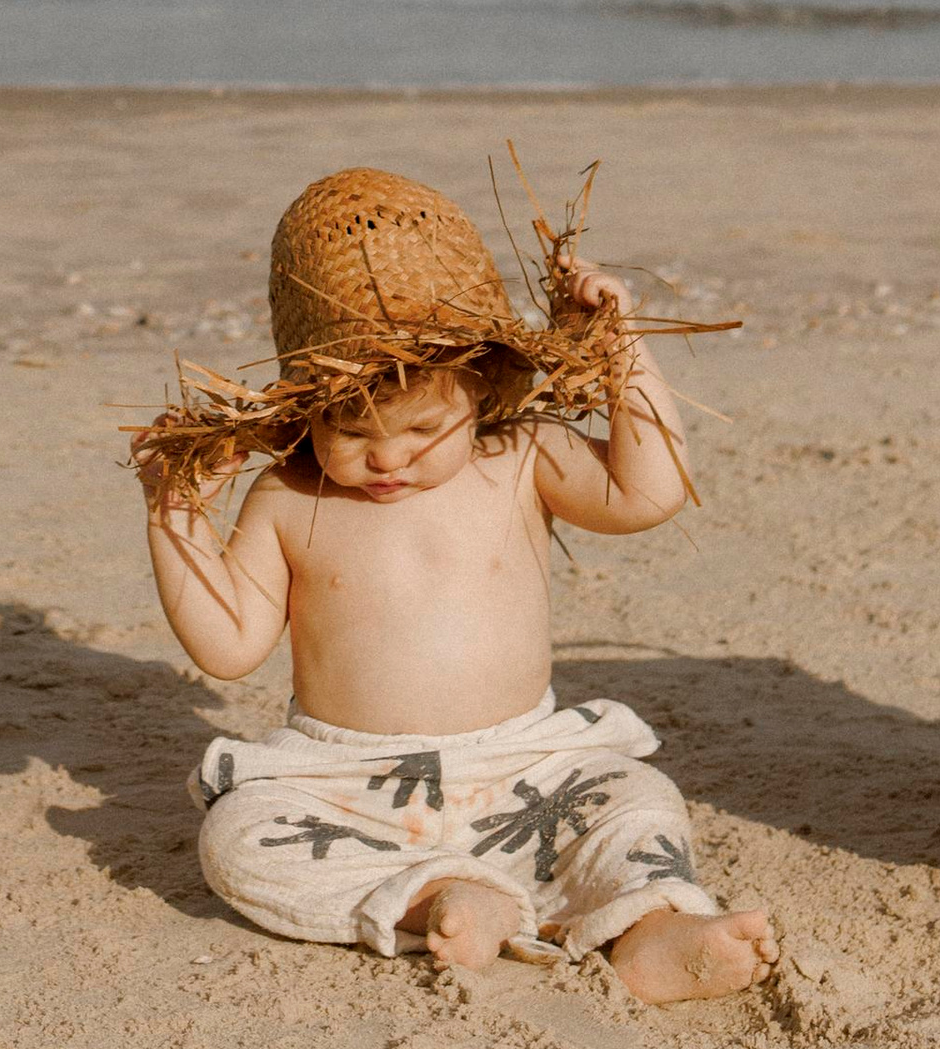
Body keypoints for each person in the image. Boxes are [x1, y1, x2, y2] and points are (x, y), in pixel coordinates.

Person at [135, 166, 775, 999]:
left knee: (635, 800)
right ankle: (442, 898)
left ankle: (651, 930)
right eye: (350, 429)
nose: (388, 458)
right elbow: (227, 647)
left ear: (479, 383)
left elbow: (644, 493)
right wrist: (173, 509)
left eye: (424, 428)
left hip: (529, 768)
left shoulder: (520, 458)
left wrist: (622, 351)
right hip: (346, 786)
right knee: (238, 838)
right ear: (306, 409)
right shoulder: (290, 497)